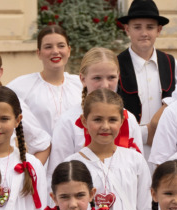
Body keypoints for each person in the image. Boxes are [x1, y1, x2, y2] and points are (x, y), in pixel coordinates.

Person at [49, 47, 143, 181]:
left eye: (111, 77)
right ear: (82, 79)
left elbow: (138, 171)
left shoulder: (129, 119)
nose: (105, 85)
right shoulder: (68, 121)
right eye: (97, 78)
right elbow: (56, 173)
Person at [115, 0, 177, 154]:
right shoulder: (116, 65)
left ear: (159, 30)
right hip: (128, 147)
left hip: (166, 148)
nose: (144, 33)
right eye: (137, 27)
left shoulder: (170, 62)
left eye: (150, 27)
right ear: (127, 29)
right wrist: (145, 133)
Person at [6, 24, 84, 136]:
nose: (55, 51)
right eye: (48, 47)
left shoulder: (81, 84)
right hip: (38, 153)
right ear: (39, 53)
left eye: (61, 46)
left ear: (69, 50)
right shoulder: (20, 86)